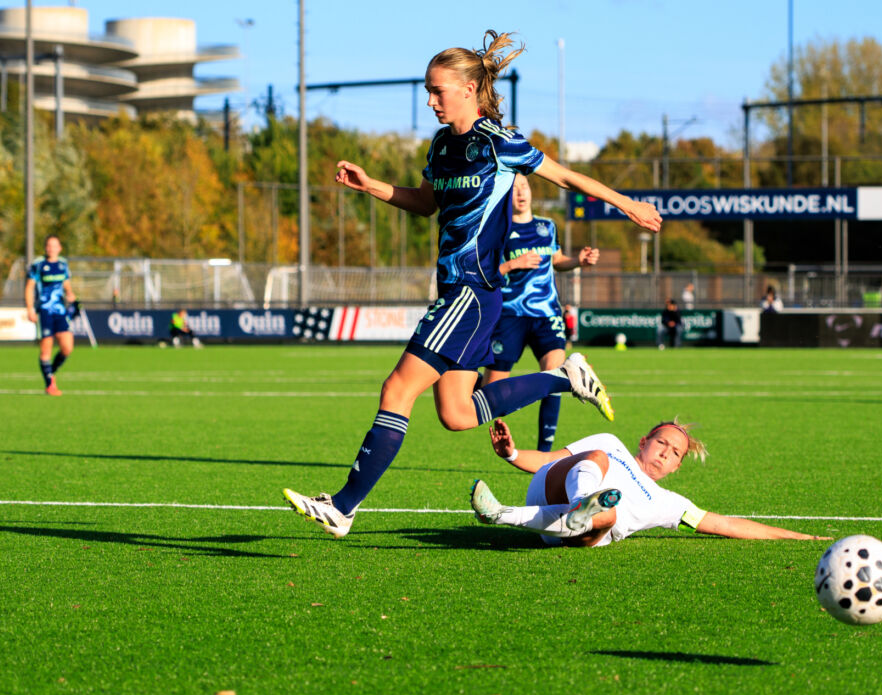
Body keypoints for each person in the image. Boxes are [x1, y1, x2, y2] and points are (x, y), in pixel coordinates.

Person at [282, 30, 661, 539]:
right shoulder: (441, 145)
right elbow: (425, 203)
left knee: (397, 388)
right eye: (427, 91)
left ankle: (344, 507)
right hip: (458, 294)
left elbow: (567, 177)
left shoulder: (499, 142)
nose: (430, 101)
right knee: (458, 413)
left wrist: (628, 204)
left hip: (471, 291)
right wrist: (371, 185)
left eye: (437, 90)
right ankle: (564, 378)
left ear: (468, 89)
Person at [470, 418, 830, 547]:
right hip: (551, 488)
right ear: (644, 442)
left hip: (579, 536)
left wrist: (802, 538)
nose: (665, 453)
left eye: (675, 453)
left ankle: (499, 514)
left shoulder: (669, 502)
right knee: (597, 458)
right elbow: (551, 460)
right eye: (662, 443)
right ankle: (582, 504)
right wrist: (511, 454)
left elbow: (724, 524)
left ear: (677, 467)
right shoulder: (611, 444)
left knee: (609, 515)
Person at [481, 174, 599, 452]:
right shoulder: (497, 228)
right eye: (514, 188)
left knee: (554, 374)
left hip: (547, 314)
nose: (521, 192)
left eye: (524, 186)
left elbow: (557, 260)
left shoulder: (548, 226)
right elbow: (486, 272)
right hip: (510, 315)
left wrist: (578, 261)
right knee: (491, 396)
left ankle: (544, 454)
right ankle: (478, 386)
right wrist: (513, 264)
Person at [24, 235, 77, 396]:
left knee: (67, 347)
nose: (51, 248)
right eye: (49, 245)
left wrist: (70, 293)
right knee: (46, 349)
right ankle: (50, 385)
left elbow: (66, 283)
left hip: (60, 311)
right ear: (45, 247)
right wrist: (30, 309)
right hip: (44, 311)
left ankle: (50, 372)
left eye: (54, 245)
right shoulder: (38, 264)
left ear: (59, 248)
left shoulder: (63, 264)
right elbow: (29, 287)